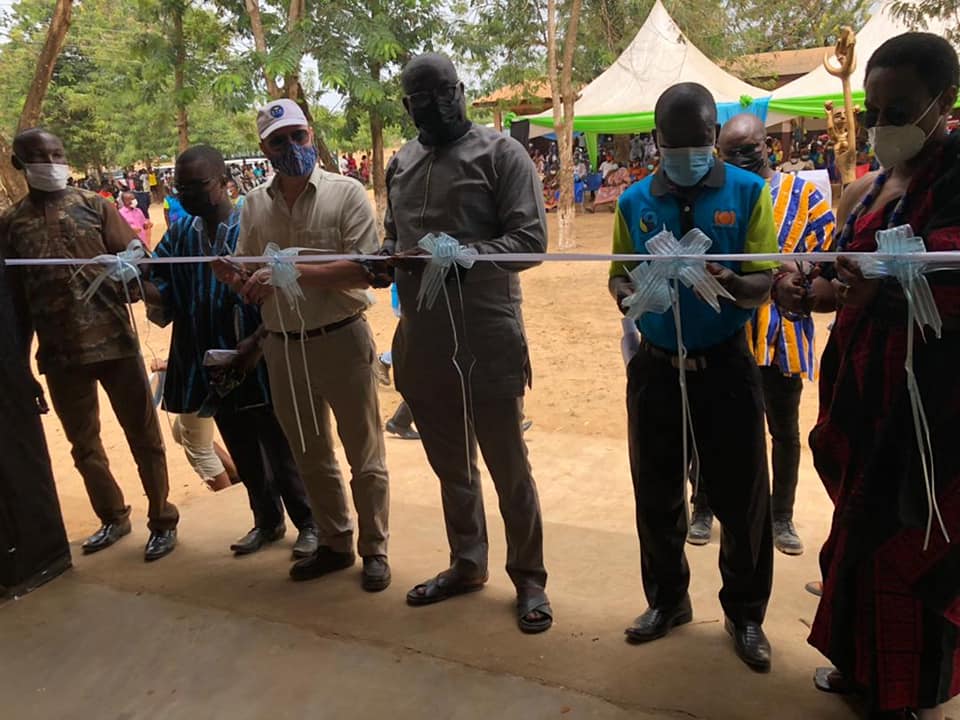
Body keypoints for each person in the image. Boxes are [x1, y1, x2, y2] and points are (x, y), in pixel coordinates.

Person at [777, 32, 960, 718]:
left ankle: (908, 694)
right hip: (862, 391)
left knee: (912, 540)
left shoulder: (957, 182)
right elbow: (836, 272)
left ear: (945, 102)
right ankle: (860, 670)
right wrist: (801, 285)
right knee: (856, 531)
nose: (882, 125)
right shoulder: (867, 189)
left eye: (899, 111)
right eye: (873, 112)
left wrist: (874, 287)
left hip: (935, 403)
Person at [609, 83, 779, 671]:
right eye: (674, 142)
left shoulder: (749, 193)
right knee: (656, 492)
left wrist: (727, 282)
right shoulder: (634, 202)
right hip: (656, 367)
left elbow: (763, 281)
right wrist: (632, 294)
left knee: (742, 498)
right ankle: (667, 601)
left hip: (725, 365)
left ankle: (746, 614)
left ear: (714, 134)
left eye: (699, 139)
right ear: (657, 139)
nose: (687, 152)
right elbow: (618, 275)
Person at [382, 53, 552, 634]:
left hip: (487, 335)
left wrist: (465, 256)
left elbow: (530, 241)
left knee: (509, 466)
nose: (438, 104)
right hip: (423, 340)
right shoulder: (401, 162)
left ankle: (529, 577)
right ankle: (467, 562)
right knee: (451, 466)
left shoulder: (502, 154)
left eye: (446, 91)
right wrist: (384, 258)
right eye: (423, 98)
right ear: (407, 106)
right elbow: (393, 237)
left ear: (462, 90)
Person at [214, 99, 391, 591]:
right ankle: (335, 543)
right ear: (263, 148)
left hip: (342, 338)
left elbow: (365, 270)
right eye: (279, 141)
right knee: (310, 454)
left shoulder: (346, 192)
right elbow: (253, 274)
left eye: (299, 136)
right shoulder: (254, 204)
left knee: (365, 456)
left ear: (311, 134)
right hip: (283, 347)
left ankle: (374, 549)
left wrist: (290, 273)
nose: (292, 147)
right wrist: (234, 277)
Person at [0, 128, 179, 561]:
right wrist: (21, 368)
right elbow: (15, 306)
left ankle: (162, 519)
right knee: (84, 447)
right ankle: (113, 516)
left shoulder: (95, 206)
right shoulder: (10, 224)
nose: (51, 163)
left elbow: (140, 263)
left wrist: (130, 268)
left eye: (57, 154)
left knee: (145, 437)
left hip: (117, 345)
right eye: (40, 156)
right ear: (20, 164)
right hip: (60, 355)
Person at [143, 144, 319, 560]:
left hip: (259, 353)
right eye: (180, 187)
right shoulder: (181, 233)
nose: (187, 194)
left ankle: (309, 522)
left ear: (225, 182)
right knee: (240, 443)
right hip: (209, 359)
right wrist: (133, 277)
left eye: (197, 185)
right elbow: (161, 284)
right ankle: (267, 520)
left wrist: (257, 340)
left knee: (279, 443)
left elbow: (283, 292)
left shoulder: (253, 225)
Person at [684, 114, 836, 556]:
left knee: (783, 430)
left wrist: (788, 270)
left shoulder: (803, 195)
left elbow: (825, 257)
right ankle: (703, 507)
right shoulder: (717, 196)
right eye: (729, 154)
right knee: (710, 423)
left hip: (782, 335)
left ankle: (780, 516)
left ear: (766, 144)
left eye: (748, 150)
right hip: (725, 329)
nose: (740, 160)